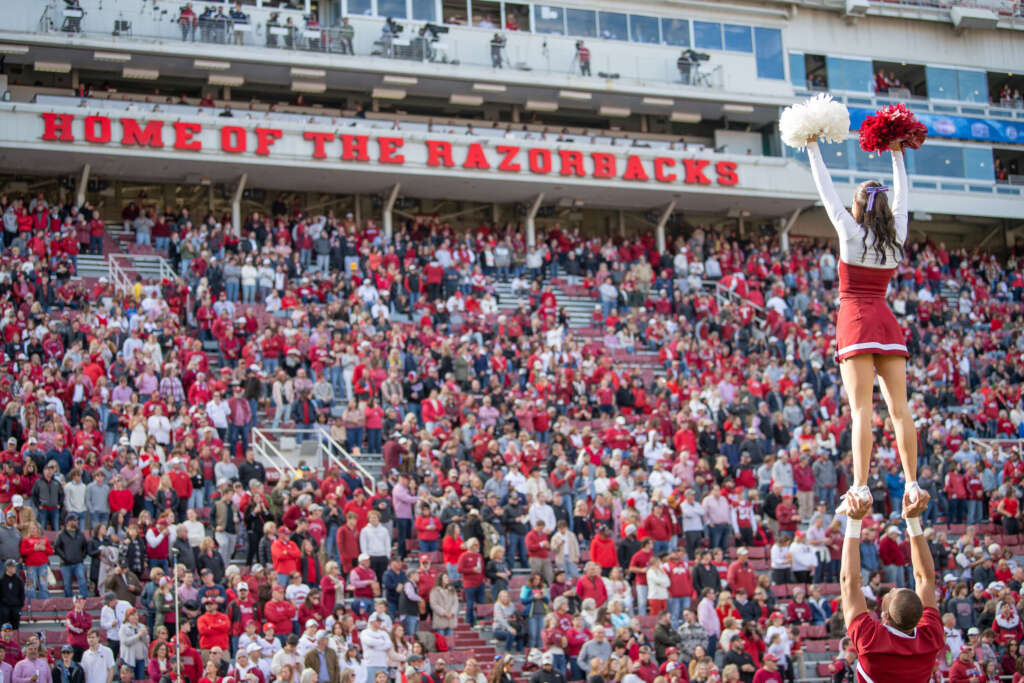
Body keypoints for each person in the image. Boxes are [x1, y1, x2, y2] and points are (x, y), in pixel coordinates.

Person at [805, 135, 926, 516]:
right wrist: (896, 155)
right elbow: (904, 195)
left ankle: (859, 487)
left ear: (856, 207)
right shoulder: (898, 236)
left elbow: (824, 188)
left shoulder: (849, 233)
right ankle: (912, 482)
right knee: (900, 411)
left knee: (861, 411)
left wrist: (812, 146)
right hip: (887, 323)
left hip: (855, 322)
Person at [840, 492, 944, 682]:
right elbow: (925, 578)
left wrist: (854, 522)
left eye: (891, 593)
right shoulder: (930, 637)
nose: (892, 588)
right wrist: (912, 520)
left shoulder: (871, 640)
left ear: (885, 616)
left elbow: (849, 582)